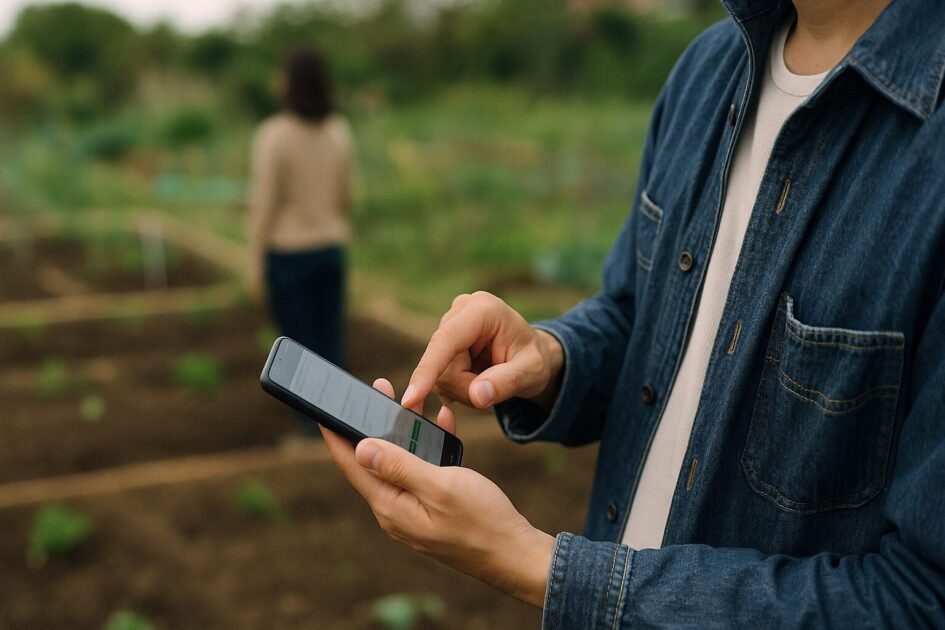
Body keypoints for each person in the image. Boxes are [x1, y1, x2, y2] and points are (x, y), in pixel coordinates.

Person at [319, 0, 945, 626]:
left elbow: (920, 600)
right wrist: (550, 358)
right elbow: (638, 314)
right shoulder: (707, 70)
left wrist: (530, 563)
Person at [248, 45, 354, 367]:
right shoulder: (339, 131)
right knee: (331, 352)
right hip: (331, 252)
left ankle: (312, 420)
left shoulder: (273, 135)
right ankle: (341, 418)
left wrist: (253, 263)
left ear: (287, 83)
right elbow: (347, 198)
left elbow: (263, 207)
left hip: (289, 259)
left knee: (297, 364)